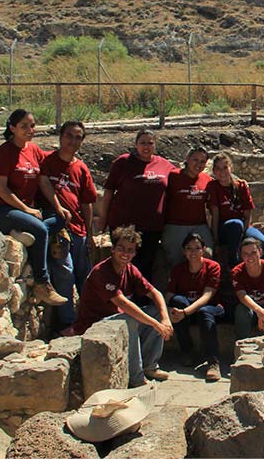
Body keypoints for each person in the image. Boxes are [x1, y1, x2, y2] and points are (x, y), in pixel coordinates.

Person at [0, 109, 67, 306]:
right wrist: (26, 210)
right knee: (40, 229)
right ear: (12, 128)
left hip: (19, 210)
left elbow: (44, 181)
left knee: (60, 218)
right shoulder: (4, 152)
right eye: (24, 126)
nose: (30, 130)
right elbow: (1, 189)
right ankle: (42, 283)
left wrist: (58, 206)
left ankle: (17, 230)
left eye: (32, 126)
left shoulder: (34, 150)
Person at [67, 226, 173, 387]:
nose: (125, 253)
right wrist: (155, 324)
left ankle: (149, 366)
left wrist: (164, 320)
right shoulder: (102, 272)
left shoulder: (130, 269)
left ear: (135, 253)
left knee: (154, 312)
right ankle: (136, 378)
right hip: (95, 324)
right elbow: (123, 303)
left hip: (117, 319)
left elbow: (155, 293)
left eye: (130, 250)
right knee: (130, 319)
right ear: (113, 249)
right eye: (121, 249)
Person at [38, 120, 98, 328]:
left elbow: (87, 202)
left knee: (85, 276)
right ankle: (67, 323)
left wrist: (90, 233)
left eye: (78, 137)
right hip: (58, 228)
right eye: (69, 136)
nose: (73, 141)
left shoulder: (81, 168)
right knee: (65, 274)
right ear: (61, 136)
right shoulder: (47, 161)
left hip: (78, 229)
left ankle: (90, 319)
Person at [99, 129, 176, 281]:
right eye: (142, 143)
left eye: (150, 143)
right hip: (124, 225)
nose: (146, 146)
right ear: (136, 144)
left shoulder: (165, 165)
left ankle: (141, 301)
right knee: (122, 263)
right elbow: (108, 192)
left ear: (155, 145)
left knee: (146, 266)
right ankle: (118, 297)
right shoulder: (123, 162)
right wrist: (103, 218)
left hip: (152, 226)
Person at [165, 232, 223, 382]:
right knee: (177, 301)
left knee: (204, 312)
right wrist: (168, 313)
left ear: (203, 250)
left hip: (211, 307)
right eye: (189, 248)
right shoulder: (178, 269)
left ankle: (213, 362)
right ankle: (186, 351)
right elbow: (170, 294)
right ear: (184, 251)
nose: (193, 252)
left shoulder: (213, 267)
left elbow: (207, 296)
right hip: (187, 310)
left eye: (197, 248)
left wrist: (185, 312)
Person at [207, 152, 264, 267]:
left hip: (243, 226)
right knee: (235, 225)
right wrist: (215, 240)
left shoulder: (241, 186)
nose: (222, 172)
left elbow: (247, 213)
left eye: (225, 167)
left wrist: (244, 232)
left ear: (231, 167)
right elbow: (215, 215)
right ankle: (234, 264)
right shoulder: (213, 187)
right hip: (225, 229)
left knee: (262, 242)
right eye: (218, 168)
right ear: (214, 171)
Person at [162, 147, 213, 269]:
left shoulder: (207, 179)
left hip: (199, 224)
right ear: (187, 159)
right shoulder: (173, 176)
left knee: (208, 255)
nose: (198, 164)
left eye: (202, 161)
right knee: (176, 260)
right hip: (175, 224)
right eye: (195, 159)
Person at [231, 237, 264, 340]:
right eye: (245, 254)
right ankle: (241, 343)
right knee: (241, 311)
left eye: (253, 252)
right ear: (241, 256)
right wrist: (259, 311)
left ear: (260, 252)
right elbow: (242, 296)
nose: (250, 257)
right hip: (251, 310)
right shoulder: (237, 272)